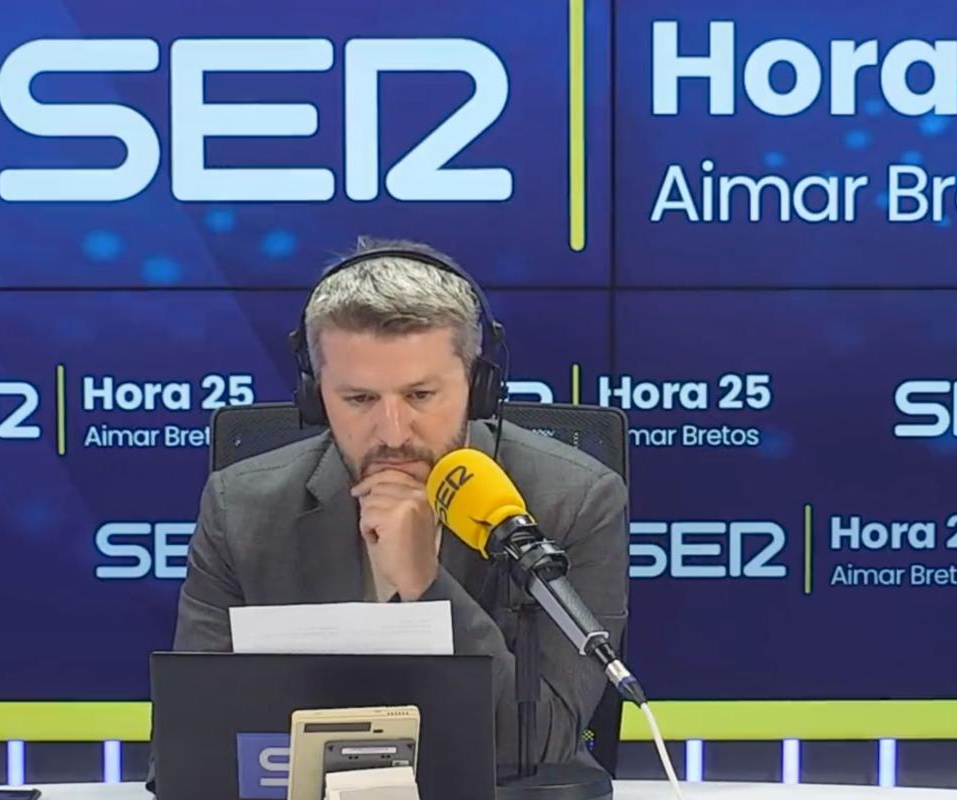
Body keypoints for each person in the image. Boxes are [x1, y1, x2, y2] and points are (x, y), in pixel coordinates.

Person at [153, 237, 629, 784]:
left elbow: (542, 743)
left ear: (477, 387)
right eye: (359, 399)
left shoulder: (575, 501)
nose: (394, 433)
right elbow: (190, 748)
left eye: (421, 396)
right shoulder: (241, 509)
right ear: (314, 394)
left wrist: (427, 584)